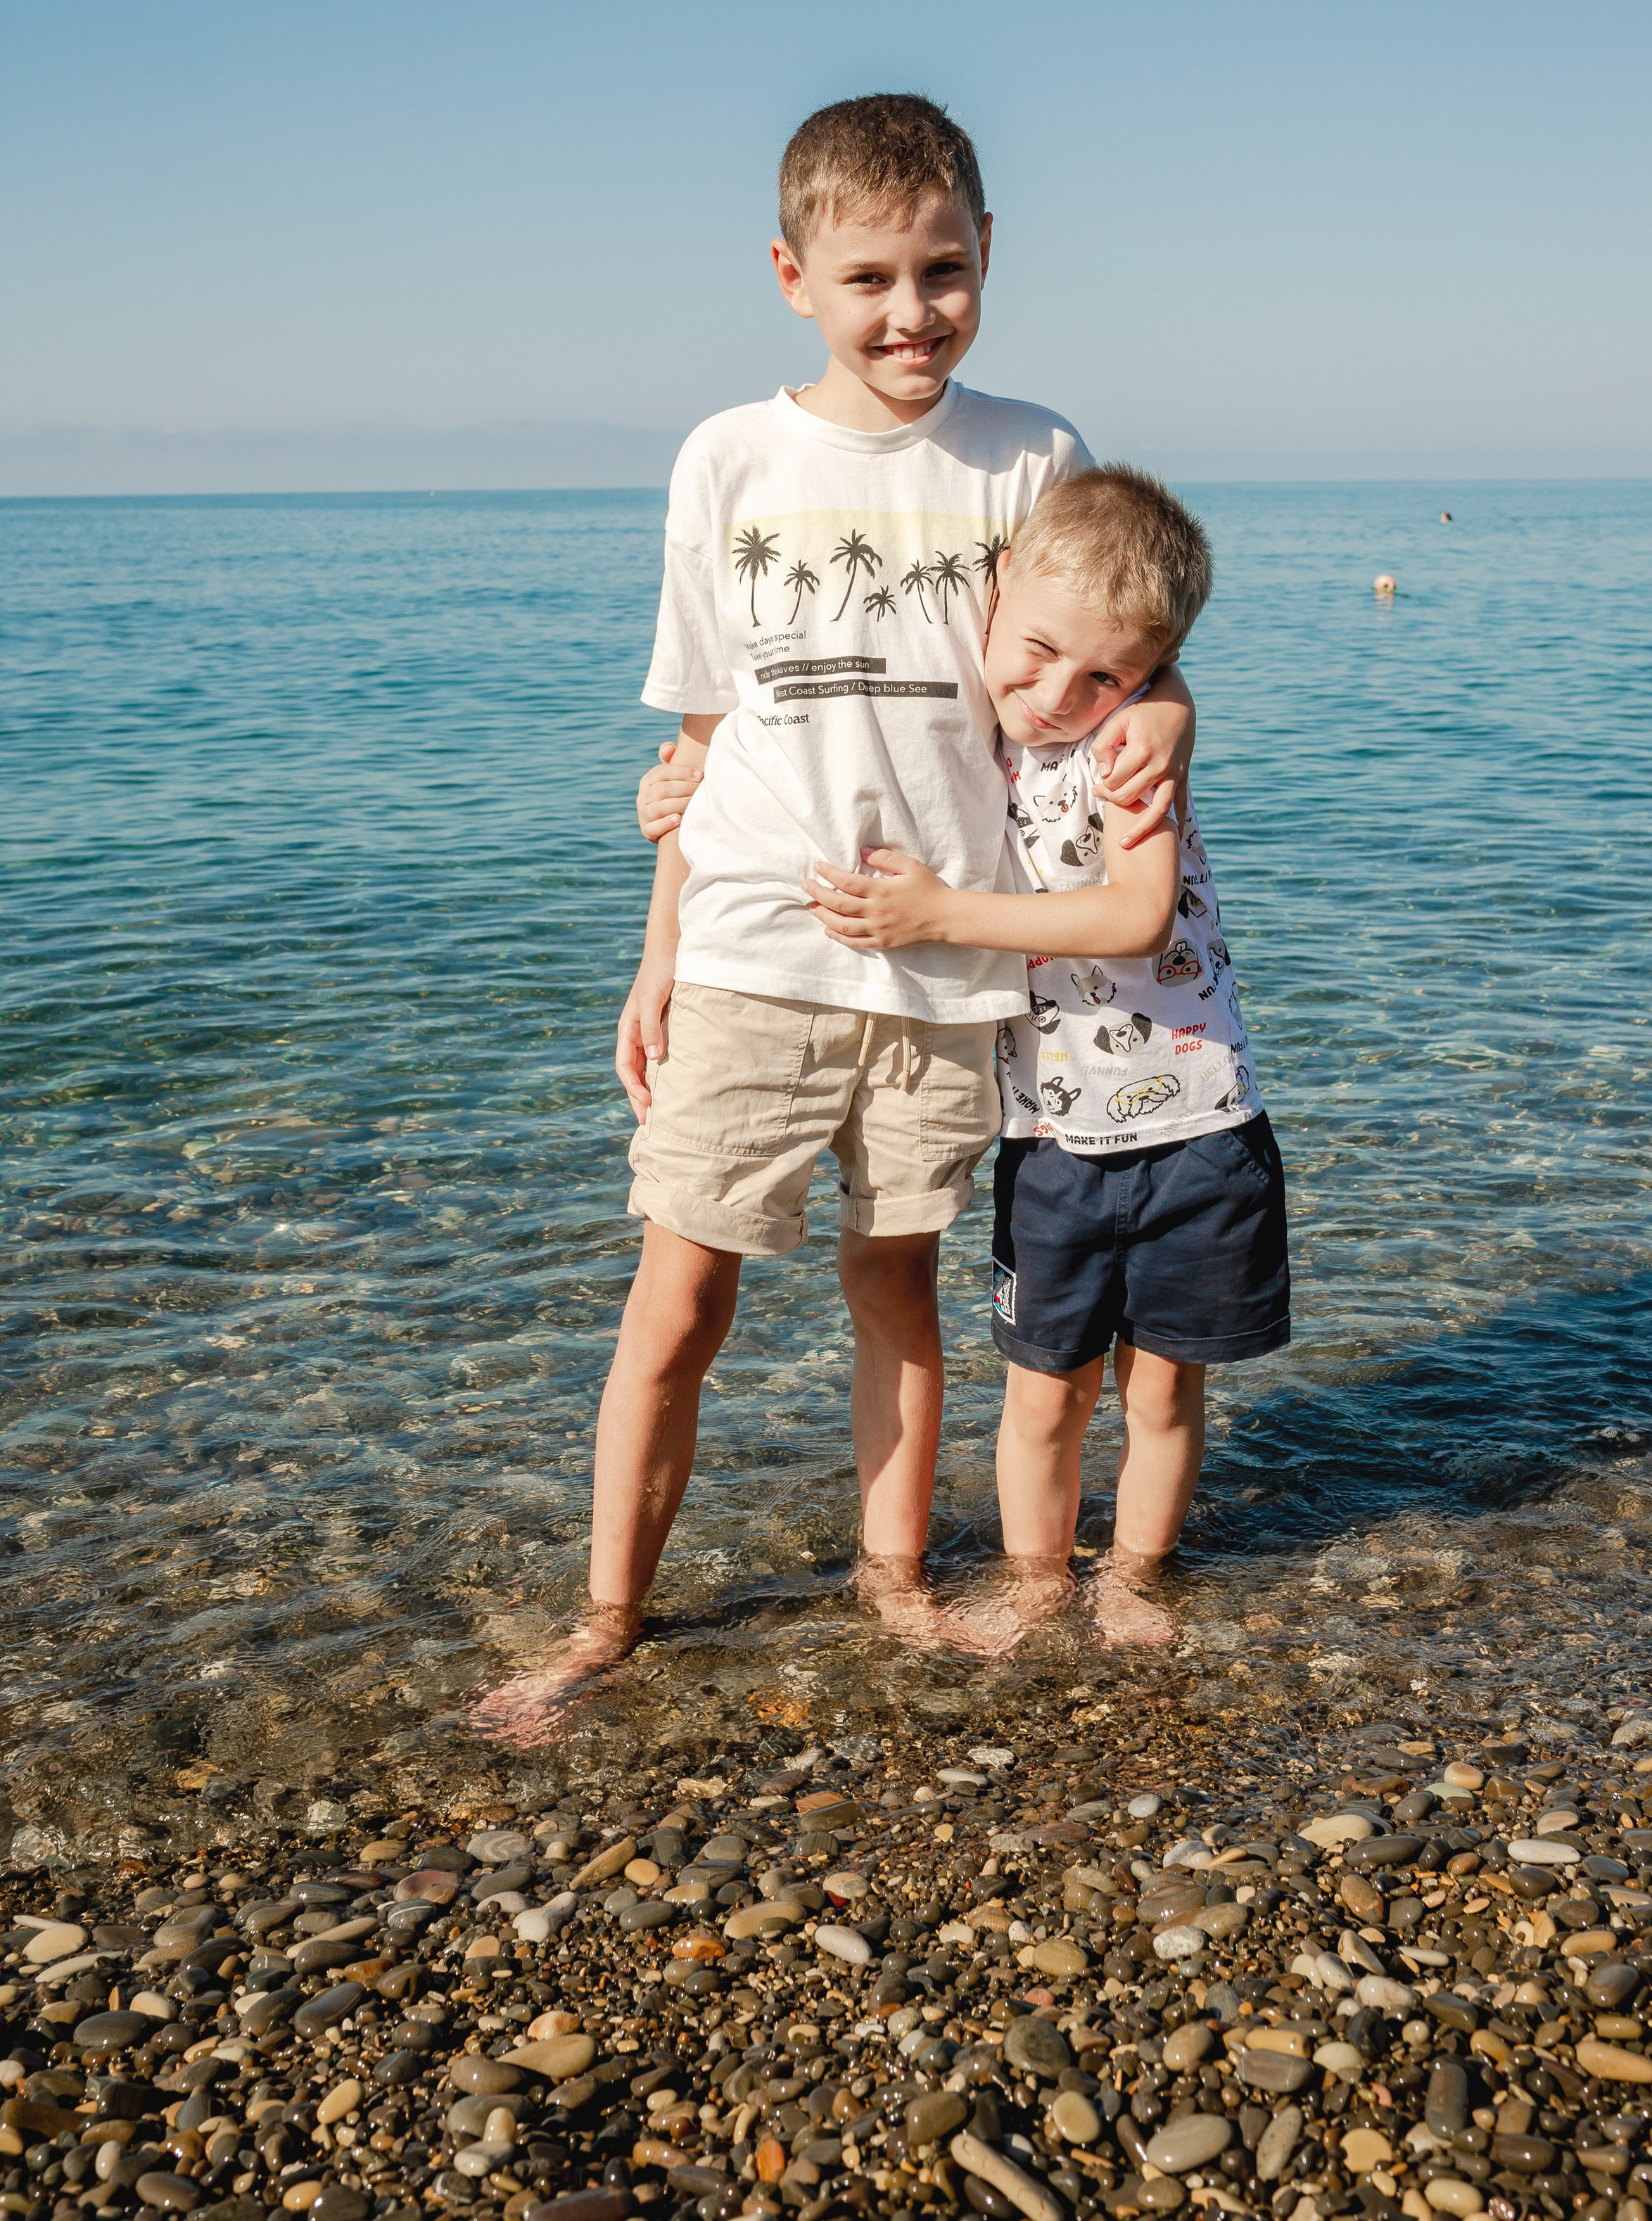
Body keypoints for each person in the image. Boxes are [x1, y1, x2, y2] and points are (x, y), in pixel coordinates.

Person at [471, 96, 1192, 1743]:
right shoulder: (729, 457)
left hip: (948, 963)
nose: (910, 310)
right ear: (793, 274)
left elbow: (1109, 647)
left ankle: (889, 1581)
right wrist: (654, 954)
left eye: (944, 269)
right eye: (870, 275)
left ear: (988, 257)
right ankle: (607, 1617)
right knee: (679, 1300)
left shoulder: (1033, 454)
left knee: (897, 1283)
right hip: (746, 951)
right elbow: (707, 735)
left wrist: (1175, 712)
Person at [801, 466, 1291, 1650]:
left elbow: (1134, 918)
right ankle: (1035, 1587)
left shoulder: (1129, 751)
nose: (1058, 695)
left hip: (1199, 1127)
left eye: (1108, 676)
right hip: (1054, 1142)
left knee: (1166, 1390)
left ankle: (1131, 1577)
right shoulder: (961, 729)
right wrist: (686, 776)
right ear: (994, 586)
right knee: (1045, 1394)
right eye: (1037, 653)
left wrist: (942, 915)